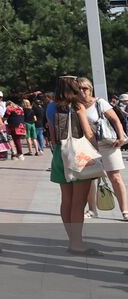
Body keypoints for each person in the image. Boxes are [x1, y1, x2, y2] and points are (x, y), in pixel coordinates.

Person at [49, 76, 100, 254]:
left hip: (59, 154)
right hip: (79, 155)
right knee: (79, 202)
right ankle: (77, 243)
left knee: (67, 200)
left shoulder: (51, 106)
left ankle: (72, 239)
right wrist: (97, 152)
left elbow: (53, 137)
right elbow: (87, 132)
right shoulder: (78, 106)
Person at [79, 77, 128, 219]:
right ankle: (92, 210)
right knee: (90, 178)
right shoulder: (76, 106)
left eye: (85, 89)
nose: (82, 92)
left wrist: (121, 137)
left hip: (108, 144)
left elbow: (115, 119)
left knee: (115, 177)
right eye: (79, 89)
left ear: (90, 89)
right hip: (87, 146)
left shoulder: (99, 102)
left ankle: (125, 210)